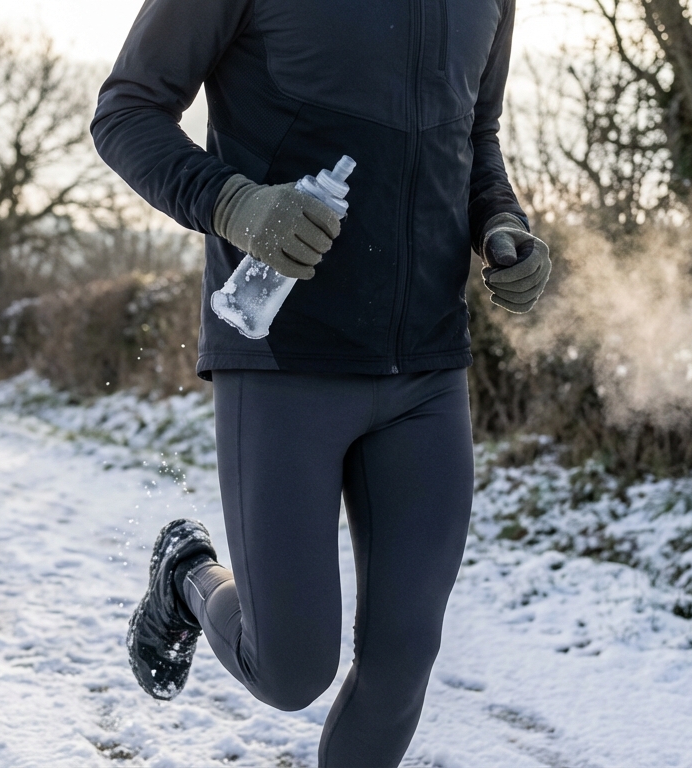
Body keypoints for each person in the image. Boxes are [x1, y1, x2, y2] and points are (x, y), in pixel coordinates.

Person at [91, 0, 551, 764]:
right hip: (284, 358)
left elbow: (474, 137)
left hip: (427, 372)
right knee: (290, 669)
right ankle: (188, 575)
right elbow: (127, 112)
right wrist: (234, 204)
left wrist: (502, 224)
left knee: (403, 661)